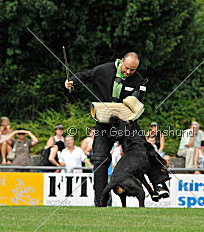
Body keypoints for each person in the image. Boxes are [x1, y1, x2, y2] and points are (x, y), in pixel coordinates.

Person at [64, 52, 152, 206]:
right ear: (122, 61)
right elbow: (85, 75)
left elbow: (139, 100)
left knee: (145, 152)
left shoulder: (138, 79)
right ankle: (101, 201)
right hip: (104, 124)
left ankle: (157, 188)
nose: (128, 72)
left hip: (127, 124)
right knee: (99, 159)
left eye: (132, 70)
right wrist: (72, 81)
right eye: (126, 68)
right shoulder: (103, 70)